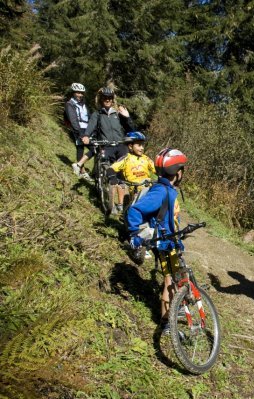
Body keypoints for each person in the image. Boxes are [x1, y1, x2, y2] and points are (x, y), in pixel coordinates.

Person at [127, 148, 187, 334]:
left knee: (175, 276)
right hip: (164, 242)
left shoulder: (167, 189)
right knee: (169, 279)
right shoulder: (161, 191)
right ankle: (167, 322)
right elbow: (135, 210)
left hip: (170, 240)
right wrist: (135, 234)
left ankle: (172, 313)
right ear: (178, 173)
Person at [72, 87, 136, 213]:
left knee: (122, 176)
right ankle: (107, 196)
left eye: (109, 98)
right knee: (109, 172)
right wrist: (85, 136)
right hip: (106, 146)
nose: (107, 100)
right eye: (105, 98)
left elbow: (131, 129)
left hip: (120, 145)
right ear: (101, 100)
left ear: (112, 100)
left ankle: (120, 204)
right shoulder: (97, 114)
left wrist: (127, 117)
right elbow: (90, 127)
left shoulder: (118, 113)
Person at [108, 131, 156, 213]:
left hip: (148, 187)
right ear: (130, 146)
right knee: (137, 209)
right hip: (135, 190)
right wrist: (112, 177)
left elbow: (156, 169)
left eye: (142, 145)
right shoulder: (126, 159)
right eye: (139, 145)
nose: (142, 148)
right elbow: (111, 168)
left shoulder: (145, 158)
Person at [65, 83, 92, 181]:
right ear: (73, 93)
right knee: (80, 148)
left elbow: (89, 116)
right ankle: (82, 171)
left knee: (94, 148)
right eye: (78, 93)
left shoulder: (83, 104)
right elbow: (73, 120)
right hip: (78, 129)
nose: (80, 95)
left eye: (82, 93)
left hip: (87, 129)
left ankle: (80, 167)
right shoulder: (70, 104)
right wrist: (80, 132)